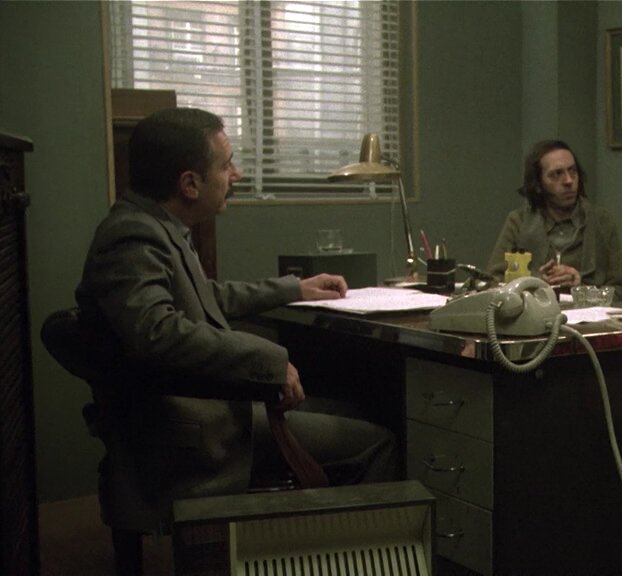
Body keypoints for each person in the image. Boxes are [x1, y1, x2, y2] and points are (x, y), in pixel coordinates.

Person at [75, 107, 395, 531]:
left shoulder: (153, 224)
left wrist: (293, 289)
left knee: (351, 407)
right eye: (226, 165)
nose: (237, 174)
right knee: (380, 441)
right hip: (189, 434)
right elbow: (156, 331)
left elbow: (204, 296)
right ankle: (341, 552)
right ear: (190, 184)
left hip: (193, 412)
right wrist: (270, 359)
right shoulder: (133, 235)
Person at [486, 139, 622, 301]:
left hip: (584, 315)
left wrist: (581, 288)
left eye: (573, 171)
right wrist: (533, 283)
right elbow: (491, 286)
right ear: (538, 184)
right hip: (534, 314)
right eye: (557, 174)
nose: (569, 181)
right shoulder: (519, 222)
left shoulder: (601, 222)